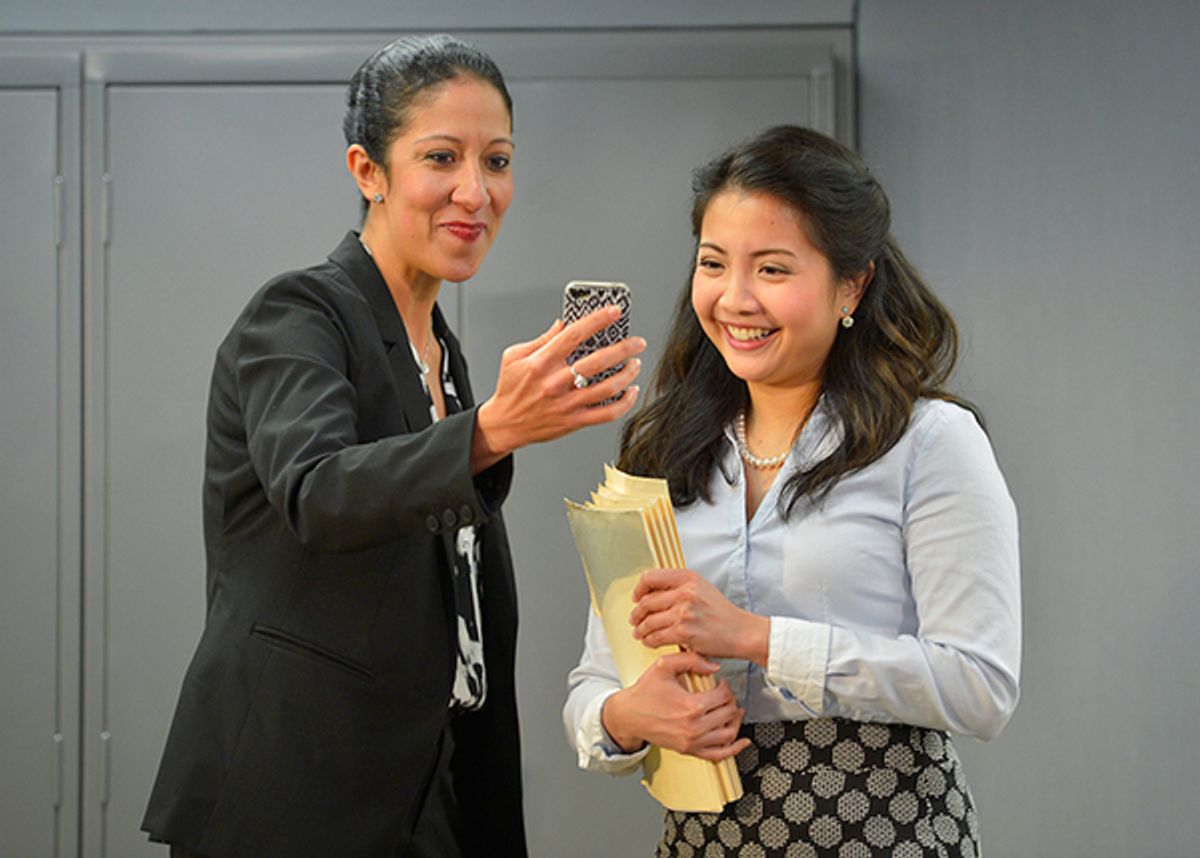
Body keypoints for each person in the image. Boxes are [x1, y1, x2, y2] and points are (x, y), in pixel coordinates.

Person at [142, 34, 644, 858]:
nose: (475, 192)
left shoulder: (442, 354)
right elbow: (317, 491)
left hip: (429, 793)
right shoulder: (299, 313)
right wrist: (493, 429)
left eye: (499, 160)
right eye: (440, 157)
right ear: (368, 171)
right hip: (297, 800)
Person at [564, 125, 1020, 857]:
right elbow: (592, 683)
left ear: (853, 283)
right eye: (713, 263)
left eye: (773, 269)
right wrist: (626, 717)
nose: (734, 299)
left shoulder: (931, 442)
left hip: (886, 832)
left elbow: (980, 686)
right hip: (704, 840)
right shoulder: (662, 450)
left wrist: (756, 638)